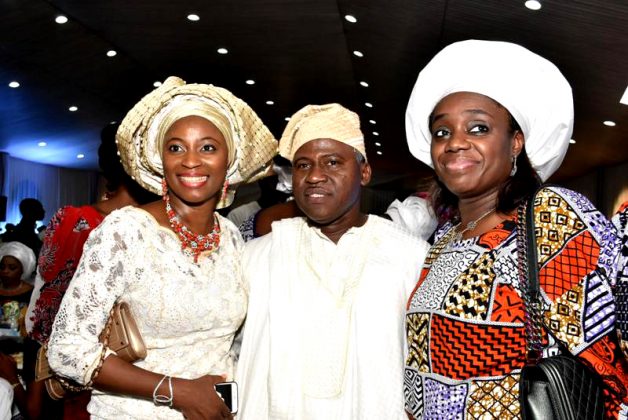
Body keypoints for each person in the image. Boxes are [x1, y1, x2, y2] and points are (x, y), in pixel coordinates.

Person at [403, 39, 627, 419]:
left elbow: (605, 358)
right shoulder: (444, 238)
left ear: (515, 143)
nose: (455, 142)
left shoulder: (548, 216)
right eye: (441, 132)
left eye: (478, 128)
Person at [47, 76, 277, 419]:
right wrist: (179, 392)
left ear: (228, 160)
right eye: (176, 148)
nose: (190, 161)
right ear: (160, 160)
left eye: (208, 147)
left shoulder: (230, 235)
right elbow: (67, 350)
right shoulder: (127, 230)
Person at [236, 103, 429, 419]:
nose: (314, 176)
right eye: (303, 165)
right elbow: (229, 353)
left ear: (364, 173)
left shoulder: (410, 256)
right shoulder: (257, 256)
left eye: (333, 162)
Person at [24, 122, 158, 420]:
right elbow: (47, 311)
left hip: (138, 374)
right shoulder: (80, 222)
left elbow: (43, 309)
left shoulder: (159, 228)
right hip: (95, 376)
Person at [0, 242, 36, 418]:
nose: (5, 271)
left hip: (23, 361)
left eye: (12, 267)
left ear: (23, 270)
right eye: (2, 267)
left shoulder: (32, 295)